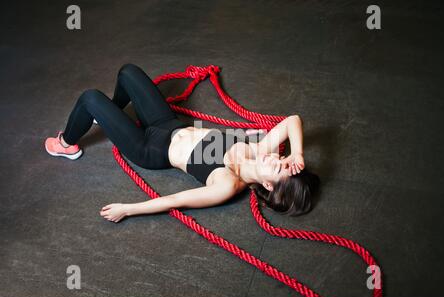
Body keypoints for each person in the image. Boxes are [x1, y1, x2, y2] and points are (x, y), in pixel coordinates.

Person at [44, 64, 320, 223]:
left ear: (269, 186)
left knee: (91, 98)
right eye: (284, 161)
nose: (276, 159)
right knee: (128, 72)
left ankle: (67, 143)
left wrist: (128, 209)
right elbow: (292, 120)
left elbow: (176, 201)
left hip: (149, 148)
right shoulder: (260, 150)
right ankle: (108, 114)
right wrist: (297, 153)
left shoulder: (227, 184)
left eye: (278, 168)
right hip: (167, 124)